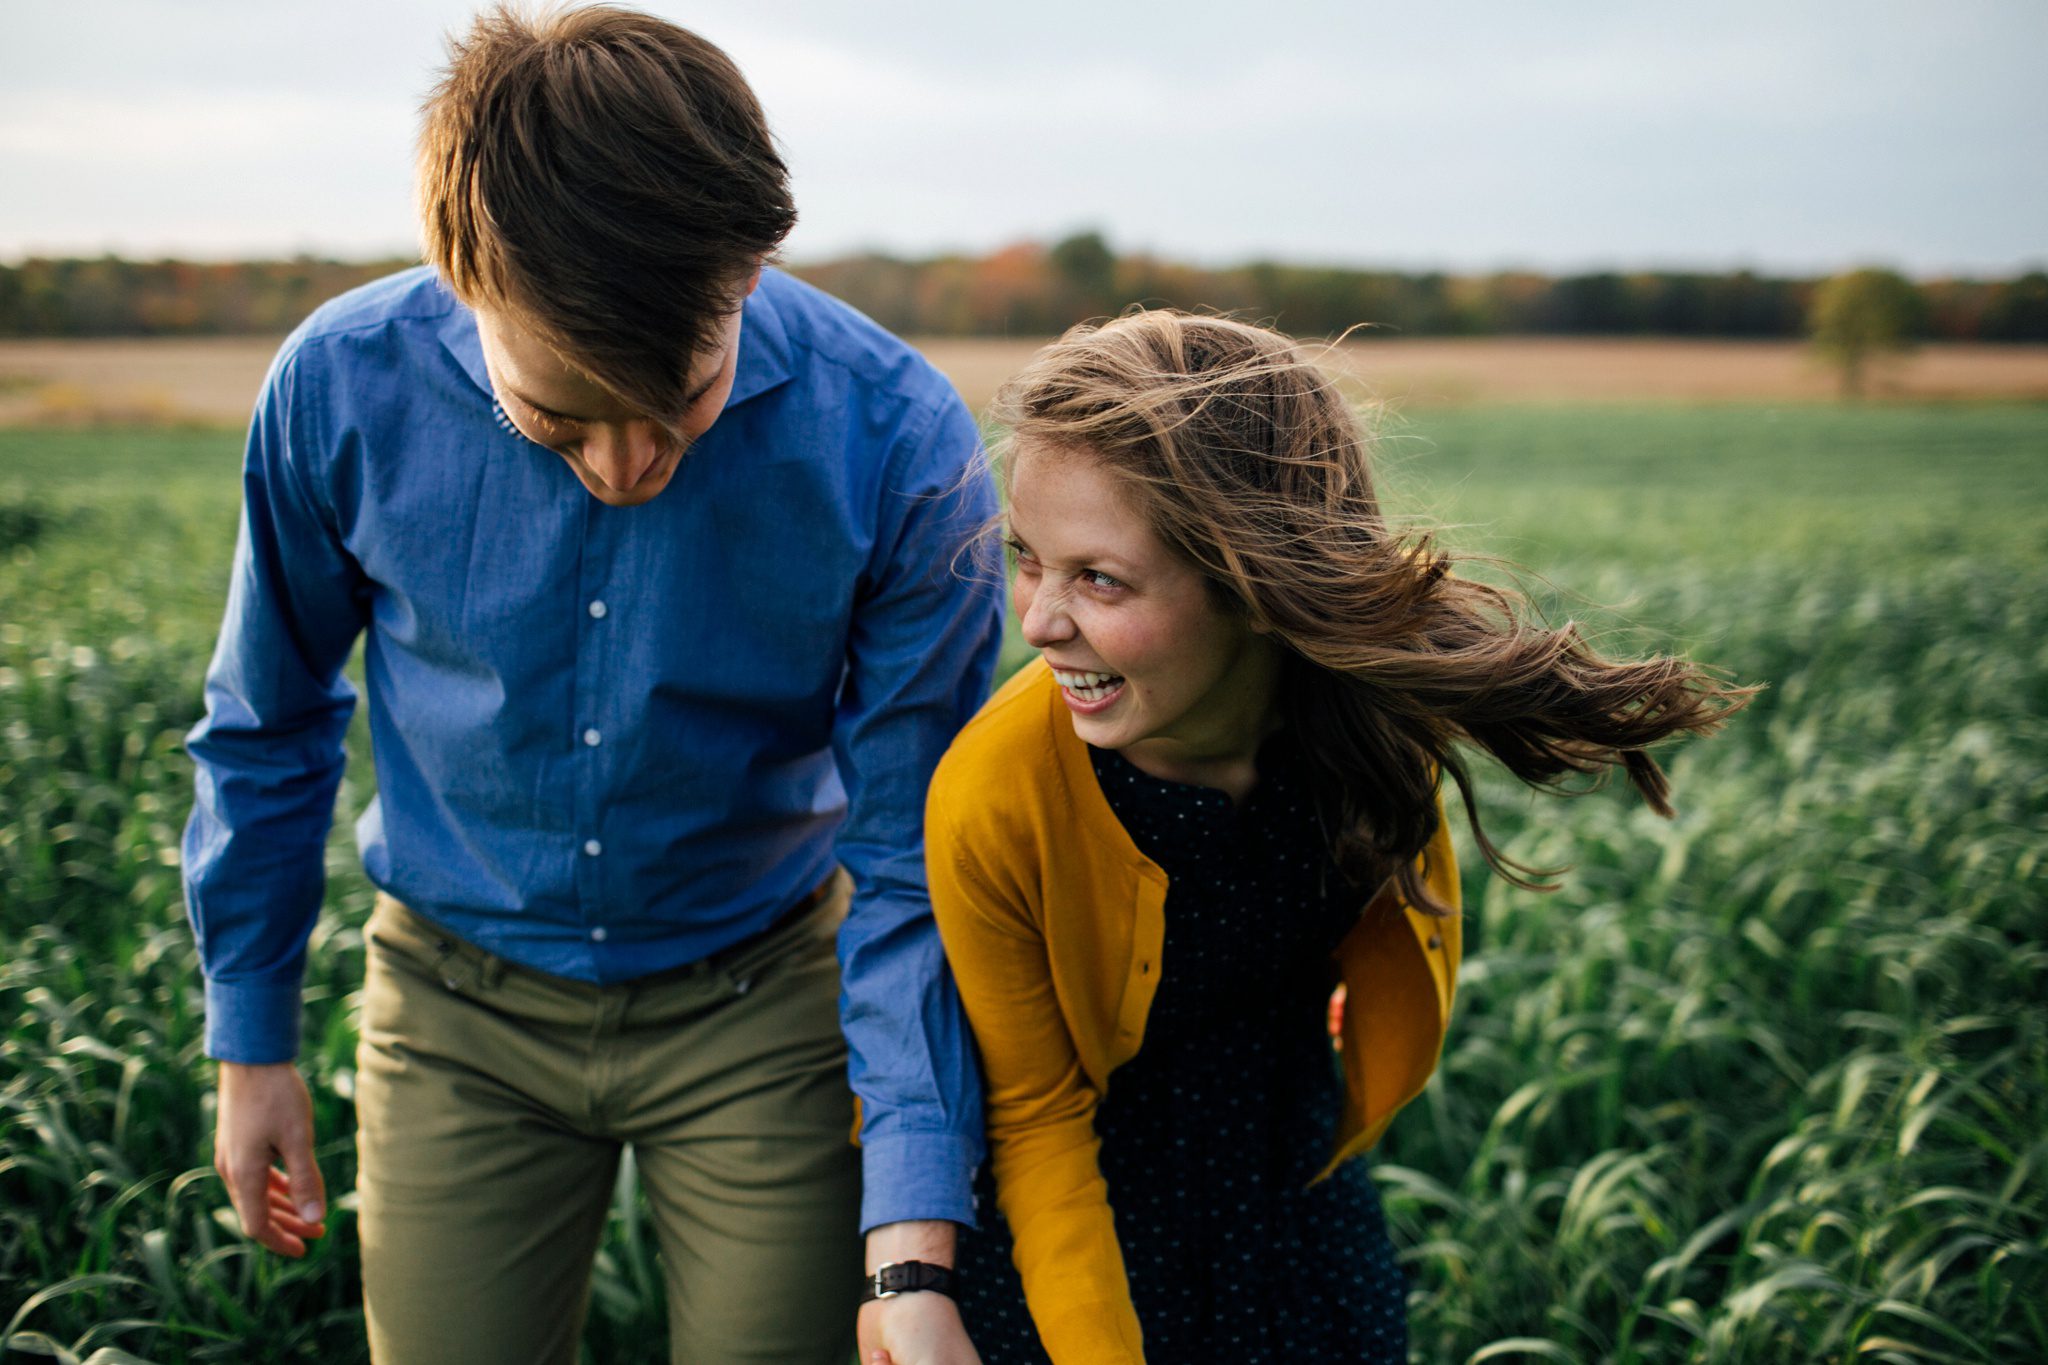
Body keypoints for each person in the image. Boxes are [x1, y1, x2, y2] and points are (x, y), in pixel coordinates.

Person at [182, 8, 997, 1363]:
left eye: (677, 404)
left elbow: (914, 860)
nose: (625, 468)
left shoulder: (902, 442)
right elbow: (266, 725)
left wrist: (914, 1247)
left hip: (768, 1005)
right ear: (464, 281)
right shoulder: (338, 387)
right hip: (455, 1014)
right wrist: (250, 1039)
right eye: (555, 418)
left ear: (744, 274)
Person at [917, 311, 1751, 1364]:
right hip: (1075, 1249)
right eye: (1026, 559)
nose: (1034, 621)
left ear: (1253, 587)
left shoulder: (1361, 721)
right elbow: (1034, 1121)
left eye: (1099, 578)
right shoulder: (994, 793)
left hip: (1298, 1205)